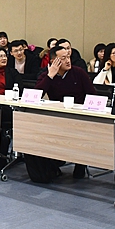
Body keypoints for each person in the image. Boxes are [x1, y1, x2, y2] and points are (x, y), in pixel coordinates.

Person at [36, 46, 96, 178]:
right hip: (56, 116)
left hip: (79, 116)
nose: (68, 61)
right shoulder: (46, 75)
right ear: (53, 61)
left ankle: (80, 164)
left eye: (68, 57)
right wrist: (50, 75)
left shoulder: (79, 72)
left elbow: (93, 95)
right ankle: (53, 163)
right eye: (63, 58)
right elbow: (36, 95)